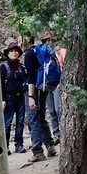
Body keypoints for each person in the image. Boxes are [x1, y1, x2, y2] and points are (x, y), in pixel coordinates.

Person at [24, 32, 57, 162]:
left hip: (34, 90)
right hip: (44, 88)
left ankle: (37, 151)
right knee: (41, 117)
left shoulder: (30, 54)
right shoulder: (41, 53)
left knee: (33, 120)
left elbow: (31, 77)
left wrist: (31, 96)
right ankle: (50, 146)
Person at [0, 40, 27, 154]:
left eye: (16, 51)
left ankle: (19, 145)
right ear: (8, 53)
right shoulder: (3, 67)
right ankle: (5, 146)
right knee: (7, 123)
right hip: (9, 99)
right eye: (12, 51)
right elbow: (0, 83)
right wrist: (2, 99)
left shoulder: (21, 67)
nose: (14, 53)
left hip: (20, 98)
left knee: (20, 122)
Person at [46, 41, 67, 144]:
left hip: (57, 85)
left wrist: (61, 83)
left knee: (58, 109)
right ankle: (56, 133)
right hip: (47, 85)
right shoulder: (45, 54)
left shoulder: (62, 52)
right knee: (52, 110)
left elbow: (64, 68)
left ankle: (64, 130)